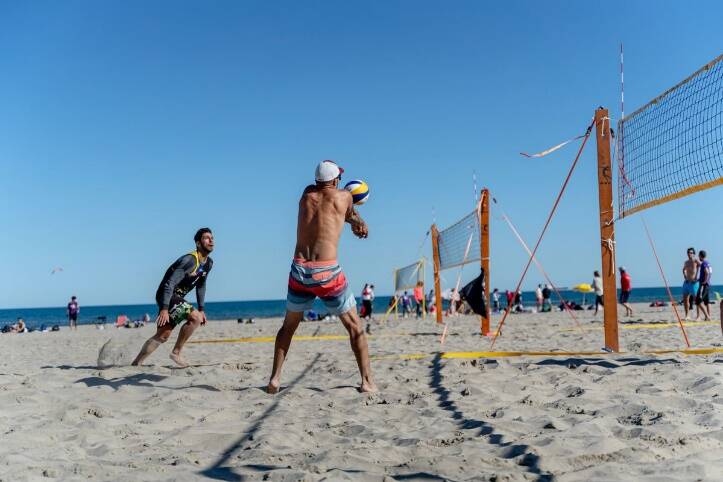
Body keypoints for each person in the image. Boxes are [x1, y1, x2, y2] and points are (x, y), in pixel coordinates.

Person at [267, 160, 376, 393]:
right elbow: (349, 214)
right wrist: (361, 224)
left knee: (288, 327)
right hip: (326, 272)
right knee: (355, 327)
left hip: (299, 270)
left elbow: (331, 209)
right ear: (336, 180)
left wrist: (353, 221)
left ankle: (275, 379)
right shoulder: (345, 196)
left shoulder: (306, 195)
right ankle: (367, 382)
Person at [132, 228, 214, 368]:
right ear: (198, 243)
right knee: (195, 318)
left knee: (163, 335)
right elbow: (169, 284)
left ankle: (136, 363)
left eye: (212, 238)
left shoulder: (208, 263)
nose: (211, 240)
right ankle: (176, 353)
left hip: (176, 297)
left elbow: (201, 285)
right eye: (207, 238)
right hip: (167, 295)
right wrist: (164, 309)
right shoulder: (189, 260)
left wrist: (201, 308)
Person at [682, 247, 700, 320]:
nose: (689, 254)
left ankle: (698, 316)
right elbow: (683, 270)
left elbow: (702, 266)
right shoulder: (686, 262)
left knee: (697, 300)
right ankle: (687, 315)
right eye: (688, 252)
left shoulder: (695, 260)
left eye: (691, 252)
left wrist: (697, 277)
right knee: (685, 299)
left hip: (694, 283)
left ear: (694, 254)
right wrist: (685, 276)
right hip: (687, 282)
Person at [695, 250, 712, 321]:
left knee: (697, 301)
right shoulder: (708, 263)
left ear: (700, 256)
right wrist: (699, 279)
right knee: (707, 301)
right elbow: (707, 273)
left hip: (704, 285)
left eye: (698, 255)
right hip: (707, 285)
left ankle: (707, 316)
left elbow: (707, 273)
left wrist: (704, 282)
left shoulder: (703, 264)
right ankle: (708, 317)